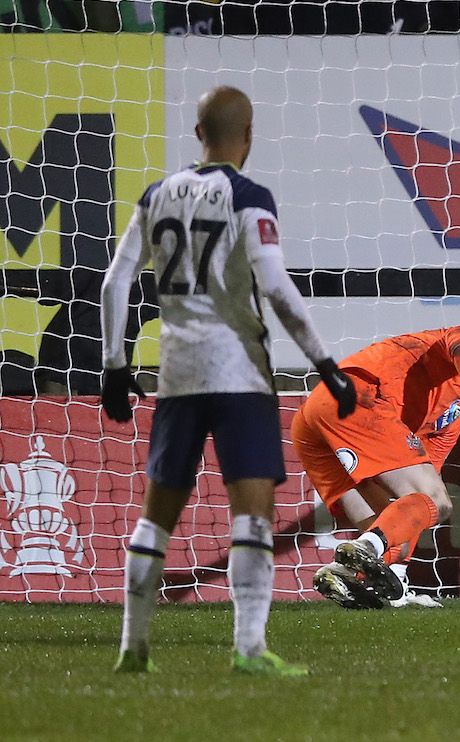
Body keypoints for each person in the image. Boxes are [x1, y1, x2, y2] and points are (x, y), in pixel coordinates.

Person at [98, 86, 359, 676]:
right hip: (239, 372)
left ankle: (133, 649)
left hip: (179, 373)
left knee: (156, 514)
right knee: (253, 512)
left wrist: (115, 367)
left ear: (198, 135)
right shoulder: (249, 196)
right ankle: (248, 648)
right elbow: (276, 288)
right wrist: (325, 365)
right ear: (249, 137)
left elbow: (115, 284)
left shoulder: (156, 195)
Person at [293, 300, 460, 609]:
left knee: (402, 517)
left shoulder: (453, 410)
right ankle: (364, 551)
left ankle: (357, 577)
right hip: (359, 397)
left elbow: (416, 495)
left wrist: (398, 570)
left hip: (318, 416)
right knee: (439, 501)